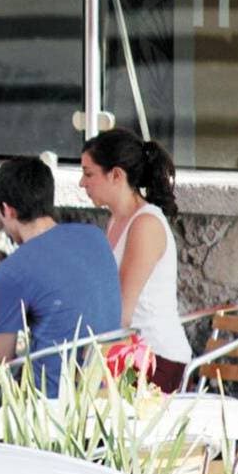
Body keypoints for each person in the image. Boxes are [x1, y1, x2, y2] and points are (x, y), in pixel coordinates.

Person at [0, 156, 121, 397]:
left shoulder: (11, 270)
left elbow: (1, 365)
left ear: (7, 209)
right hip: (107, 393)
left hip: (50, 403)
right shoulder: (95, 237)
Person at [79, 128, 192, 392]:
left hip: (157, 360)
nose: (82, 183)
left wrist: (93, 366)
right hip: (127, 353)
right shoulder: (117, 220)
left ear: (116, 175)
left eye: (88, 174)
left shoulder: (145, 224)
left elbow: (121, 310)